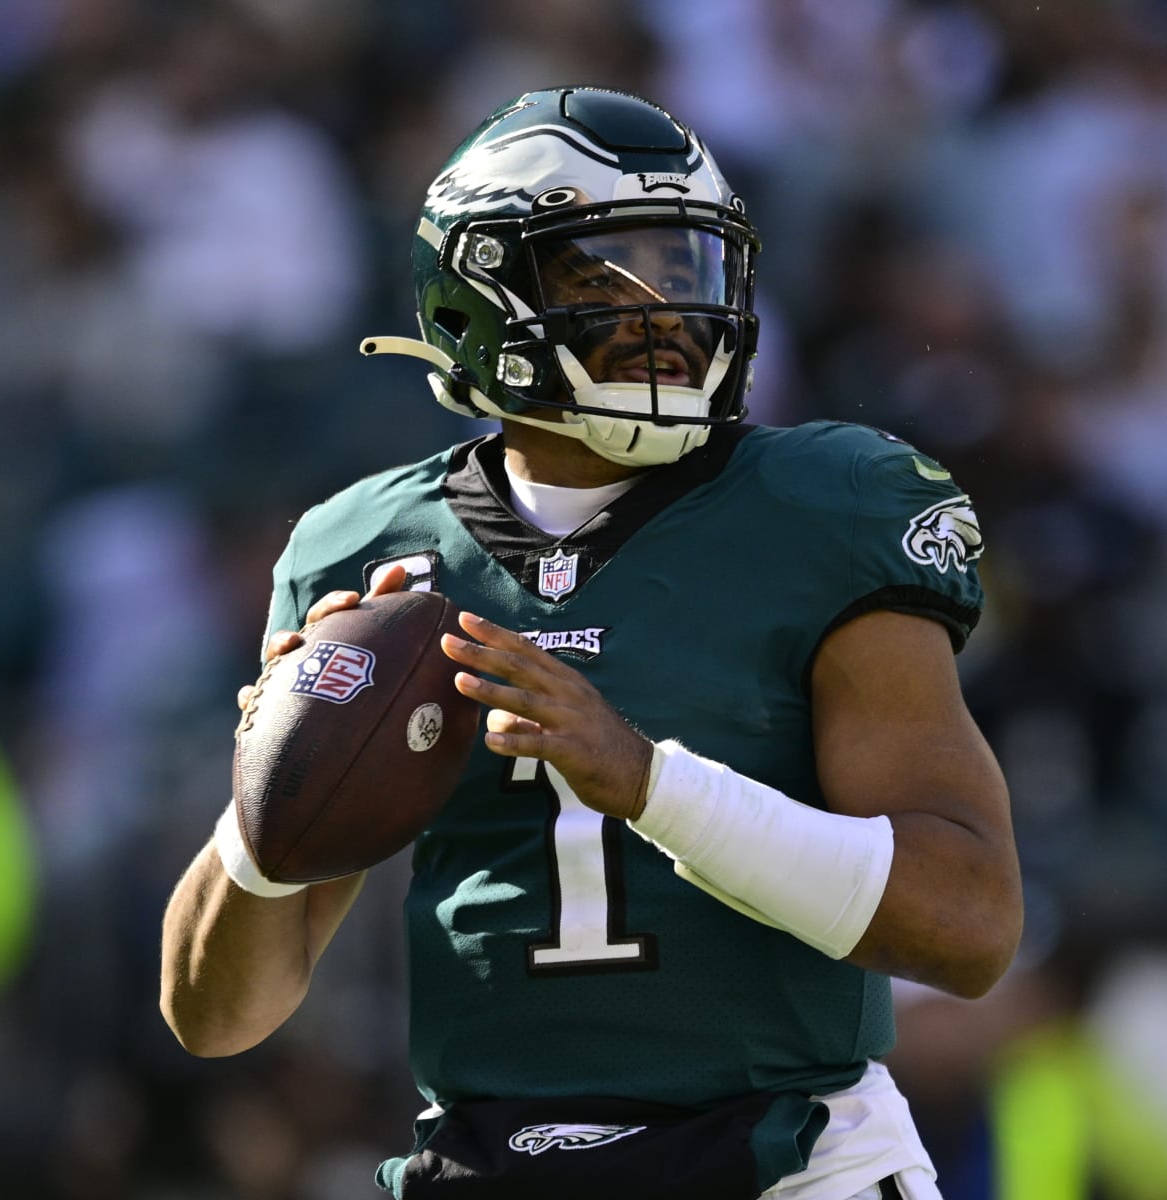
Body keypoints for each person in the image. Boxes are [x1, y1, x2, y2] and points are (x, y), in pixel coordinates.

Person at [159, 86, 1021, 1200]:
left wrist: (652, 785)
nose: (661, 311)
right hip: (485, 1162)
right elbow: (216, 1016)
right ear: (478, 295)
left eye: (684, 271)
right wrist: (279, 782)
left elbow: (970, 923)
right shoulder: (361, 551)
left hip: (790, 1162)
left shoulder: (822, 506)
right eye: (603, 275)